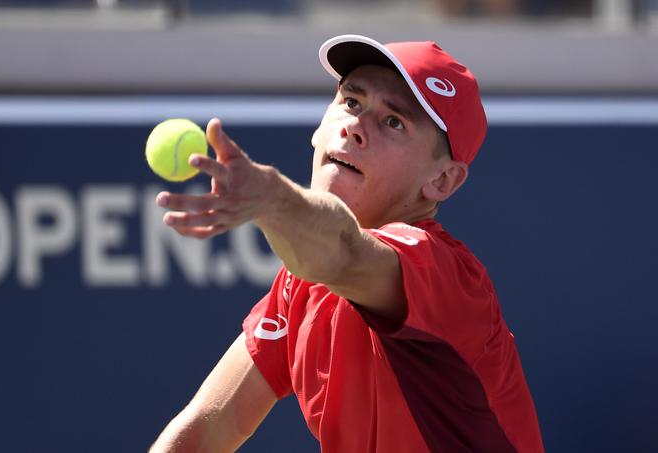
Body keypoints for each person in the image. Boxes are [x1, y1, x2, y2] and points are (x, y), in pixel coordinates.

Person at [149, 34, 544, 452]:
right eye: (351, 102)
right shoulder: (298, 284)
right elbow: (206, 429)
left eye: (394, 122)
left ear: (442, 180)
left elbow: (342, 254)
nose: (355, 126)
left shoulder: (441, 272)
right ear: (318, 127)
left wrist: (272, 200)